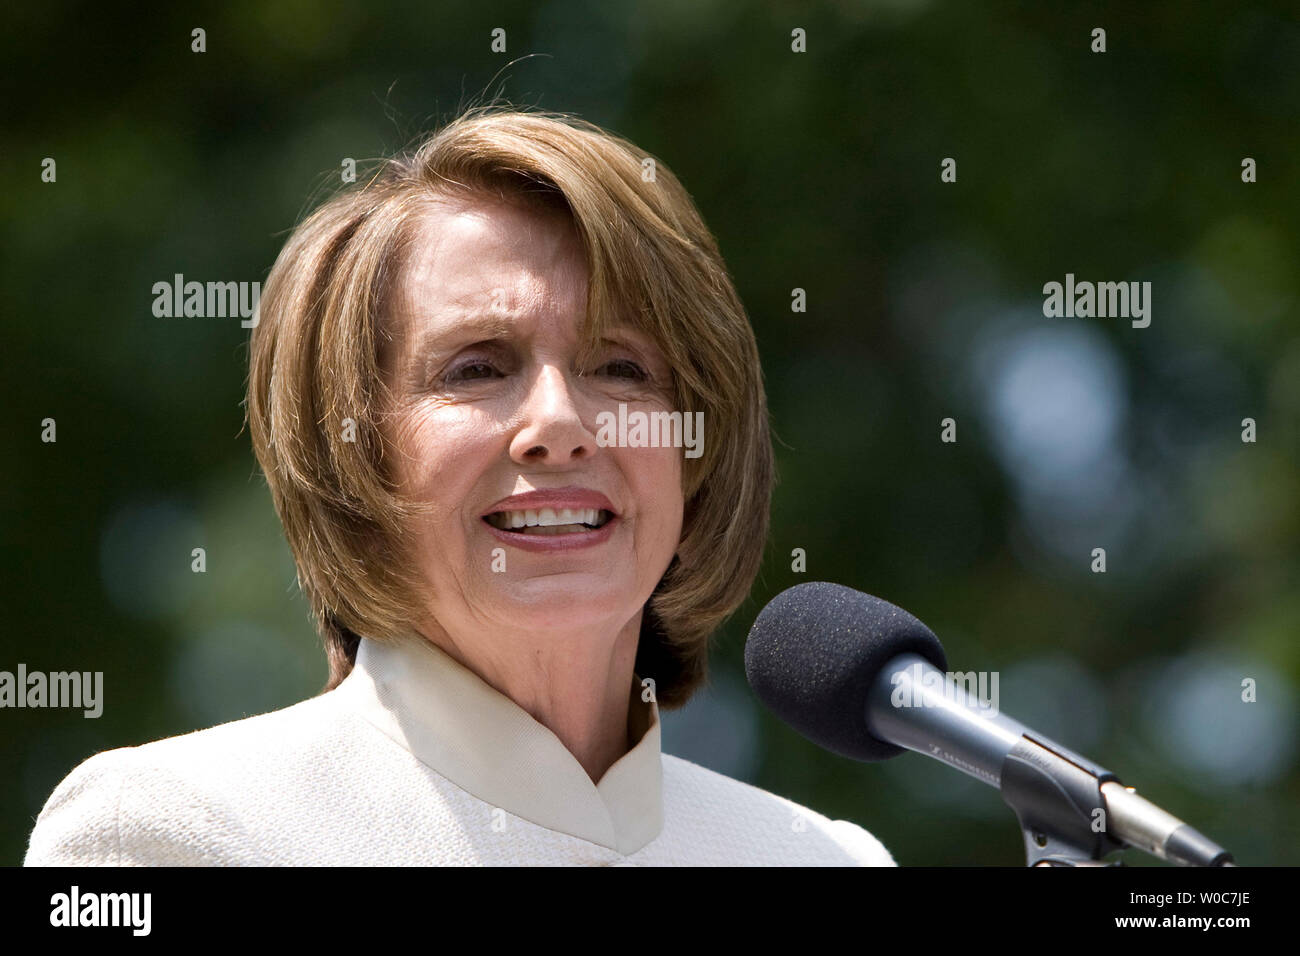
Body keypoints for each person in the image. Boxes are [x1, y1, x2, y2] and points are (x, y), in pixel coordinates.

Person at [24, 106, 895, 865]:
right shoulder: (171, 833)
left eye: (621, 367)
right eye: (476, 369)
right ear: (351, 460)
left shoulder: (826, 858)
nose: (559, 422)